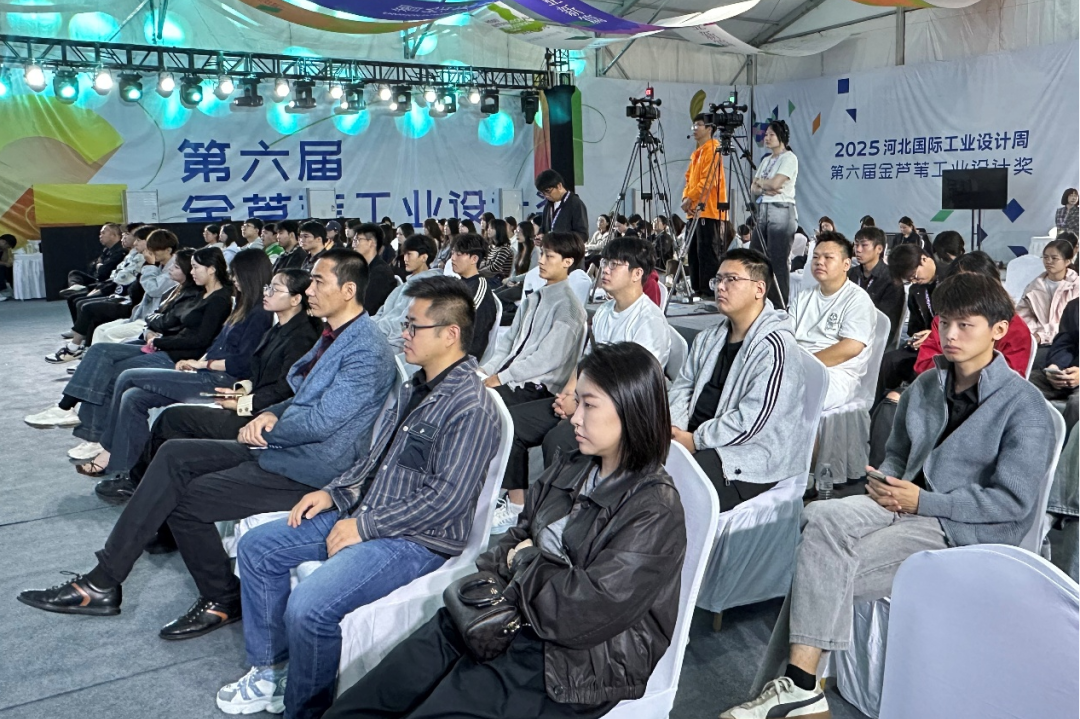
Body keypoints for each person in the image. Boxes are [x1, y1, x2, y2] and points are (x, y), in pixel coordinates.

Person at [721, 272, 1057, 719]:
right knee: (819, 516)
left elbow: (1012, 504)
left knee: (821, 567)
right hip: (902, 502)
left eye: (965, 325)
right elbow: (898, 452)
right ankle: (803, 694)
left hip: (960, 528)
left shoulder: (1024, 406)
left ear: (998, 330)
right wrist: (887, 480)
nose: (950, 335)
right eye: (944, 323)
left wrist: (923, 502)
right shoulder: (927, 386)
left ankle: (798, 689)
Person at [17, 251, 398, 638]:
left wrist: (267, 426)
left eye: (318, 281)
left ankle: (213, 596)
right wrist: (269, 415)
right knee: (173, 453)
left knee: (186, 499)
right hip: (288, 450)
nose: (310, 289)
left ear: (348, 290)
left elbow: (321, 422)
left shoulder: (365, 350)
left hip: (311, 471)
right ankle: (105, 580)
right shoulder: (337, 336)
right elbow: (300, 397)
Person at [321, 341, 686, 719]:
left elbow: (579, 612)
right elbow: (513, 539)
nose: (575, 417)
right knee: (374, 695)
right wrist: (524, 565)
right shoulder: (575, 464)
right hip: (510, 611)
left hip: (572, 663)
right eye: (576, 401)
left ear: (631, 409)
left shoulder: (655, 509)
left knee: (439, 706)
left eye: (589, 405)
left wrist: (524, 560)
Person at [219, 276, 500, 719]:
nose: (403, 334)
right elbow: (375, 460)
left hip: (414, 539)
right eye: (405, 325)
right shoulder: (414, 387)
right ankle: (273, 670)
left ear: (450, 334)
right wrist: (333, 494)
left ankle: (306, 710)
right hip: (368, 510)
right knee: (257, 547)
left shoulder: (471, 407)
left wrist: (364, 527)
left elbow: (446, 499)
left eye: (413, 327)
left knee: (309, 607)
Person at [94, 269, 322, 503]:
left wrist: (242, 403)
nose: (267, 293)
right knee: (147, 403)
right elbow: (259, 375)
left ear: (296, 299)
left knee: (171, 418)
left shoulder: (301, 337)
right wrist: (239, 391)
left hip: (261, 418)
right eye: (267, 287)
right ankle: (143, 480)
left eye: (275, 289)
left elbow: (286, 390)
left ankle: (140, 483)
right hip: (249, 403)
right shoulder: (279, 328)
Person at [491, 236, 670, 532]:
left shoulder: (648, 322)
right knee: (510, 421)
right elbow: (585, 362)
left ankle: (562, 514)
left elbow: (631, 388)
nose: (605, 270)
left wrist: (580, 405)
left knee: (558, 440)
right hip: (587, 400)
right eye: (605, 263)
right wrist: (569, 394)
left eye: (615, 264)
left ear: (637, 273)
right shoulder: (604, 312)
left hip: (621, 411)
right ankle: (517, 505)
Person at [71, 249, 274, 476]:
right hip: (207, 374)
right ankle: (128, 467)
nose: (233, 278)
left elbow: (242, 363)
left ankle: (108, 452)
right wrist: (196, 362)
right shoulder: (243, 305)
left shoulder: (259, 314)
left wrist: (202, 365)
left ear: (249, 274)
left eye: (236, 274)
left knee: (127, 376)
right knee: (134, 397)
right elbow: (217, 344)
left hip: (220, 382)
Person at [25, 247, 233, 431]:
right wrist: (155, 334)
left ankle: (89, 430)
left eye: (195, 267)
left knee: (113, 370)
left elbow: (199, 339)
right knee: (99, 350)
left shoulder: (217, 299)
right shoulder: (199, 293)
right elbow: (166, 318)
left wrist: (159, 341)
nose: (192, 272)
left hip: (175, 354)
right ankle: (67, 408)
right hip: (165, 345)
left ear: (211, 269)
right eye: (191, 267)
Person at [868, 252, 1033, 468]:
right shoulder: (944, 322)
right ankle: (882, 476)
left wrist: (963, 375)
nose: (951, 334)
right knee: (891, 403)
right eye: (959, 284)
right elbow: (923, 365)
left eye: (973, 285)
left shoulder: (1013, 328)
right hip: (939, 392)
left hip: (983, 404)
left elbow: (1009, 379)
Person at [670, 248, 806, 509]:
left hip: (749, 453)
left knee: (676, 492)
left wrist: (696, 440)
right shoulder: (708, 338)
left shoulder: (775, 348)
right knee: (637, 464)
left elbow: (752, 421)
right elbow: (682, 387)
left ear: (759, 289)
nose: (721, 287)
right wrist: (676, 430)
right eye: (718, 279)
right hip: (695, 437)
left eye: (731, 279)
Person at [789, 232, 877, 411]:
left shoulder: (857, 299)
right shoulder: (803, 296)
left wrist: (805, 365)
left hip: (836, 374)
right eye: (815, 257)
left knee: (793, 396)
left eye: (828, 257)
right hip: (796, 365)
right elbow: (786, 334)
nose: (819, 262)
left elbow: (851, 347)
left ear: (846, 264)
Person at [48, 226, 155, 359]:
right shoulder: (132, 256)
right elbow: (104, 271)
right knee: (84, 303)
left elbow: (142, 289)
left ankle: (77, 347)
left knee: (89, 307)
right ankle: (83, 346)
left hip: (134, 306)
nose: (134, 242)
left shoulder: (147, 263)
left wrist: (150, 267)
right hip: (124, 297)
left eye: (137, 239)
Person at [92, 229, 182, 345]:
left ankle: (108, 356)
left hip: (153, 322)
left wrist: (149, 265)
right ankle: (95, 355)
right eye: (149, 248)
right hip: (141, 316)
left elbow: (153, 290)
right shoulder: (159, 266)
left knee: (109, 334)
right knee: (100, 330)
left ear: (168, 250)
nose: (150, 253)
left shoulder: (175, 269)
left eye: (155, 249)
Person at [876, 243, 940, 398]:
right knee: (889, 361)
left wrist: (933, 334)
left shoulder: (950, 280)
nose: (915, 280)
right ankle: (879, 406)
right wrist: (915, 338)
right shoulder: (915, 290)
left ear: (924, 259)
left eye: (915, 275)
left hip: (944, 342)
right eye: (910, 279)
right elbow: (915, 325)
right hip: (925, 344)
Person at [751, 121, 799, 308]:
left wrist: (763, 184)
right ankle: (758, 301)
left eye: (771, 135)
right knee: (756, 256)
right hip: (763, 209)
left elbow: (775, 184)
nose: (767, 138)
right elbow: (753, 188)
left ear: (782, 137)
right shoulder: (766, 160)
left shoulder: (789, 158)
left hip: (781, 209)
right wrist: (766, 186)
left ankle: (779, 305)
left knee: (777, 260)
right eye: (766, 135)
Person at [1017, 238, 1080, 370]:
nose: (1048, 261)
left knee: (1036, 363)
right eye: (1045, 257)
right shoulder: (1034, 286)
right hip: (1036, 341)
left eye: (1054, 258)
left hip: (1064, 343)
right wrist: (1033, 335)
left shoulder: (1076, 286)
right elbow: (1022, 317)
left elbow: (1069, 326)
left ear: (1067, 261)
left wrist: (1042, 335)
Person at [682, 113, 725, 299]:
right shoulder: (697, 153)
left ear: (709, 128)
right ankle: (697, 289)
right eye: (693, 125)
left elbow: (708, 181)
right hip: (693, 211)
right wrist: (686, 198)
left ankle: (708, 291)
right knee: (693, 252)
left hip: (708, 211)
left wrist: (690, 199)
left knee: (706, 252)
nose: (695, 128)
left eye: (699, 125)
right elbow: (688, 179)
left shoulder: (714, 148)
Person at [372, 235, 442, 348]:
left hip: (398, 343)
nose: (405, 259)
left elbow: (403, 322)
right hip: (381, 333)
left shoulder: (428, 288)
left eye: (409, 254)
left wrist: (373, 329)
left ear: (423, 257)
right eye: (404, 254)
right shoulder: (407, 284)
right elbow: (383, 312)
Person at [849, 226, 905, 347]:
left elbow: (886, 323)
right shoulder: (850, 274)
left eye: (864, 245)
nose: (858, 250)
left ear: (879, 249)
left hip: (874, 339)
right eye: (856, 245)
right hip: (848, 330)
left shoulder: (892, 280)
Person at [59, 223, 127, 316]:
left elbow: (103, 271)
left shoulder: (121, 251)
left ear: (113, 235)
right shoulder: (106, 250)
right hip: (97, 279)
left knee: (75, 299)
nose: (100, 236)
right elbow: (92, 266)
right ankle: (76, 286)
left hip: (107, 283)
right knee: (74, 273)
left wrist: (99, 266)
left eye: (103, 233)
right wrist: (99, 266)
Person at [1034, 296, 1080, 431]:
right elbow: (1064, 343)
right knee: (1020, 385)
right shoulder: (1074, 306)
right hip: (1067, 372)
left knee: (1077, 404)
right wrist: (1055, 367)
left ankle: (1063, 445)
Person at [450, 233, 498, 360]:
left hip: (461, 358)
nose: (453, 258)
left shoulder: (479, 288)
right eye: (452, 253)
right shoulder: (460, 284)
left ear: (474, 259)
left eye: (459, 254)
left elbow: (466, 330)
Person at [351, 221, 397, 315]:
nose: (353, 245)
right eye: (354, 240)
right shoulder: (360, 268)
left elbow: (369, 307)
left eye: (358, 240)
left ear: (371, 243)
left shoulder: (381, 272)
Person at [535, 169, 589, 243]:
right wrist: (541, 236)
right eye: (543, 193)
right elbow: (544, 228)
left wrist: (559, 240)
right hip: (550, 249)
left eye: (548, 191)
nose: (546, 196)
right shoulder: (548, 205)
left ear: (559, 186)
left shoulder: (575, 203)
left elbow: (583, 235)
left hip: (567, 250)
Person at [0, 233, 15, 299]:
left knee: (9, 268)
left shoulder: (2, 248)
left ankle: (13, 288)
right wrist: (5, 264)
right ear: (3, 241)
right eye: (8, 246)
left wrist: (5, 250)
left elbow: (4, 260)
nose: (7, 248)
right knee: (1, 268)